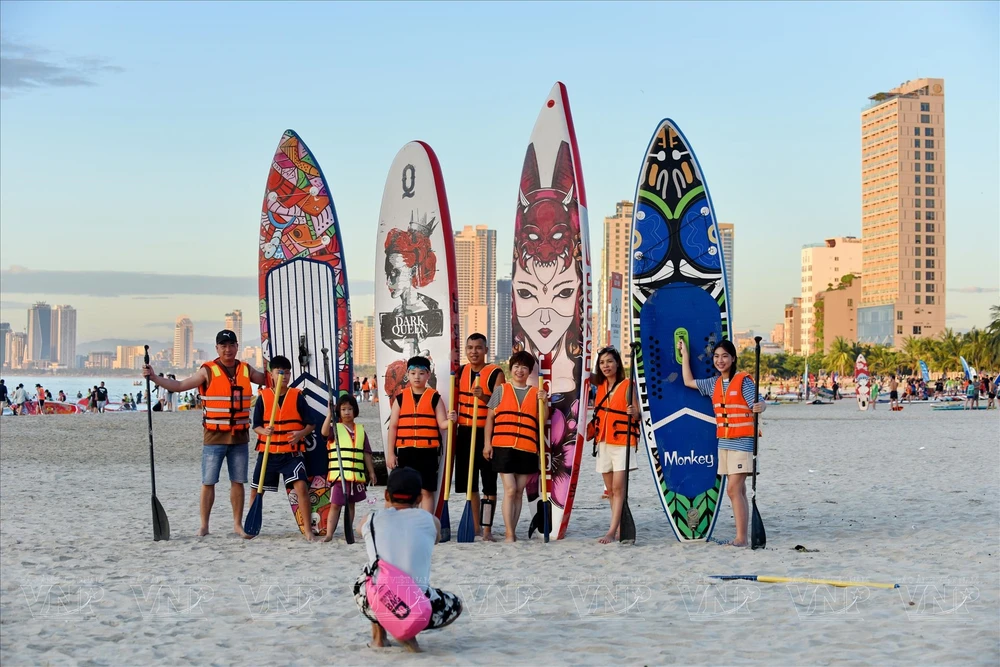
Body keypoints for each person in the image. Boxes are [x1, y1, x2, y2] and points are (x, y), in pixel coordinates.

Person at [143, 329, 266, 537]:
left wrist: (280, 370)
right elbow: (180, 385)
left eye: (231, 345)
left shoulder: (246, 369)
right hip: (214, 436)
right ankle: (204, 526)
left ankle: (237, 524)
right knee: (208, 482)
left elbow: (269, 379)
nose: (228, 349)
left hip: (240, 436)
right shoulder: (207, 371)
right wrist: (154, 378)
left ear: (237, 347)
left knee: (238, 481)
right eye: (223, 346)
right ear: (217, 348)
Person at [353, 467, 462, 652]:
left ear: (387, 494)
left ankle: (379, 639)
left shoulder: (371, 520)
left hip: (381, 604)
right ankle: (408, 633)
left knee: (370, 574)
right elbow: (434, 539)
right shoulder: (432, 521)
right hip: (422, 610)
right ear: (419, 498)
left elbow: (358, 530)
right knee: (454, 603)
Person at [678, 339, 766, 547]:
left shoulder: (743, 381)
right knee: (739, 490)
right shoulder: (713, 384)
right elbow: (688, 382)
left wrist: (760, 406)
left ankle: (741, 538)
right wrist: (685, 355)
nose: (720, 360)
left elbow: (760, 401)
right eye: (716, 356)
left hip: (743, 442)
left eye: (725, 356)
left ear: (733, 358)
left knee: (733, 490)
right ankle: (742, 536)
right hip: (724, 442)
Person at [247, 355, 315, 541]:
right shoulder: (263, 397)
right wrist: (264, 431)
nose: (284, 376)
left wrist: (301, 434)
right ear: (272, 375)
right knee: (256, 490)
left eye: (287, 373)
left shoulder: (297, 396)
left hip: (291, 454)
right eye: (280, 372)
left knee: (301, 487)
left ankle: (308, 530)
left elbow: (311, 424)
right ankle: (251, 527)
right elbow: (256, 426)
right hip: (268, 453)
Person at [483, 350, 544, 542]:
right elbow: (489, 418)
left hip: (527, 447)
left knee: (518, 491)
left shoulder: (536, 393)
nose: (520, 370)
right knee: (510, 489)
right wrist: (487, 444)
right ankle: (509, 533)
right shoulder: (501, 390)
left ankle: (513, 530)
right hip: (503, 446)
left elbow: (543, 419)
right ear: (511, 369)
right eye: (516, 366)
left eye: (524, 367)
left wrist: (544, 401)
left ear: (529, 371)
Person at [453, 333, 506, 542]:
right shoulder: (460, 372)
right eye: (470, 347)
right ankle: (475, 526)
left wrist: (483, 396)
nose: (473, 351)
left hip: (486, 431)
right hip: (465, 432)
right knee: (470, 484)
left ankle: (487, 528)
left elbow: (499, 404)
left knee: (489, 484)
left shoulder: (495, 373)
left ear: (485, 350)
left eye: (478, 347)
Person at [385, 356, 451, 513]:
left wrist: (452, 420)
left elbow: (442, 424)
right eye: (413, 373)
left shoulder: (435, 397)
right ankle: (407, 522)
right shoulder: (400, 398)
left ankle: (426, 522)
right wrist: (390, 454)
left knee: (426, 491)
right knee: (406, 490)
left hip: (427, 452)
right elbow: (393, 426)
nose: (417, 376)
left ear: (428, 375)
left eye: (421, 373)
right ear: (407, 375)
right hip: (406, 452)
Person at [589, 346, 641, 544]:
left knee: (619, 489)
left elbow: (638, 414)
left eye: (609, 361)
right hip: (603, 441)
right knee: (610, 490)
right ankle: (618, 527)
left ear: (617, 363)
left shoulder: (629, 385)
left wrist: (633, 412)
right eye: (602, 363)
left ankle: (611, 531)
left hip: (622, 442)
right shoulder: (600, 386)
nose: (606, 366)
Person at [321, 394, 377, 542]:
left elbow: (366, 453)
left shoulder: (360, 430)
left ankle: (348, 531)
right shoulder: (335, 429)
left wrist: (371, 472)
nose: (347, 412)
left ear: (355, 411)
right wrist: (329, 414)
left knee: (351, 505)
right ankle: (329, 534)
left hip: (355, 476)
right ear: (339, 411)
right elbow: (324, 433)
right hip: (340, 476)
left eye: (350, 409)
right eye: (343, 409)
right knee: (335, 505)